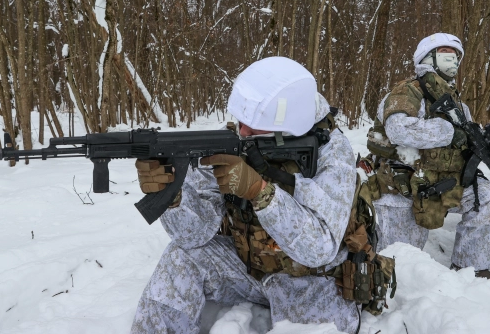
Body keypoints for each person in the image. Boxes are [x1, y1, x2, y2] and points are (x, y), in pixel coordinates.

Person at [130, 56, 393, 334]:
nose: (242, 132)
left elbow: (320, 248)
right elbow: (192, 235)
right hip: (249, 269)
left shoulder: (333, 153)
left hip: (313, 284)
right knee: (181, 256)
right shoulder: (240, 138)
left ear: (286, 123)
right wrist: (172, 197)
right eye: (241, 121)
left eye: (253, 127)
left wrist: (260, 192)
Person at [365, 33, 490, 289]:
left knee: (485, 194)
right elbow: (398, 129)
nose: (453, 61)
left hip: (443, 183)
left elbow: (467, 146)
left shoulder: (458, 103)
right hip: (403, 188)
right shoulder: (408, 91)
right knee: (400, 269)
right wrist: (448, 131)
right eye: (446, 54)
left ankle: (470, 266)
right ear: (427, 57)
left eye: (456, 56)